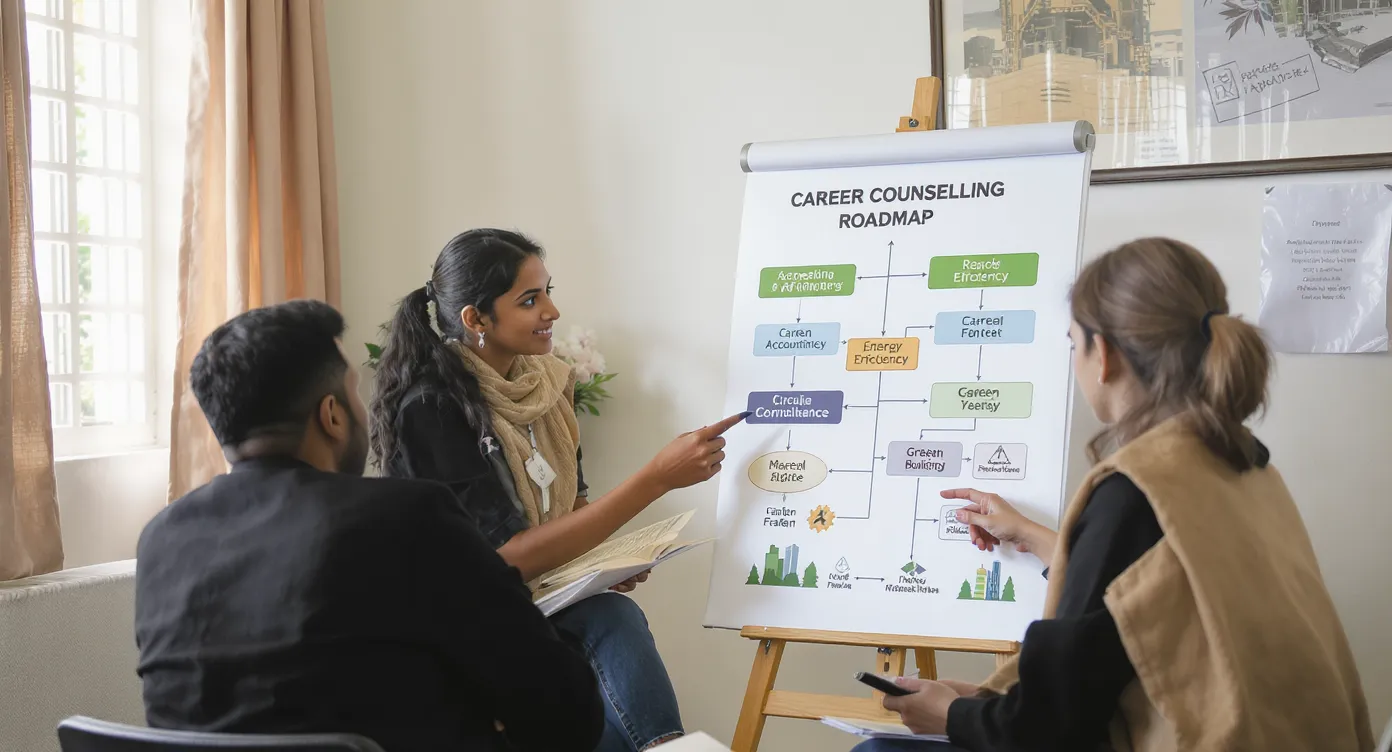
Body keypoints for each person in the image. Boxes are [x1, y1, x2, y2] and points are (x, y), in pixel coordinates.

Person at [855, 238, 1373, 751]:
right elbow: (1143, 602)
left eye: (1072, 345)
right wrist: (1031, 538)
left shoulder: (1134, 492)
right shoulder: (1248, 469)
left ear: (1102, 355)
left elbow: (1049, 731)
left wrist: (952, 715)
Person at [134, 300, 605, 752]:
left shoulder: (161, 541)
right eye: (353, 391)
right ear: (332, 415)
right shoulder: (407, 517)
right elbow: (565, 711)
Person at [370, 228, 742, 751]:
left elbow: (573, 508)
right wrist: (657, 478)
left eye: (547, 291)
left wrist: (604, 566)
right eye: (529, 300)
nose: (552, 311)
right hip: (462, 620)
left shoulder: (548, 385)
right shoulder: (432, 409)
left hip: (534, 606)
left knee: (605, 667)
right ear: (476, 320)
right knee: (610, 620)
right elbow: (505, 561)